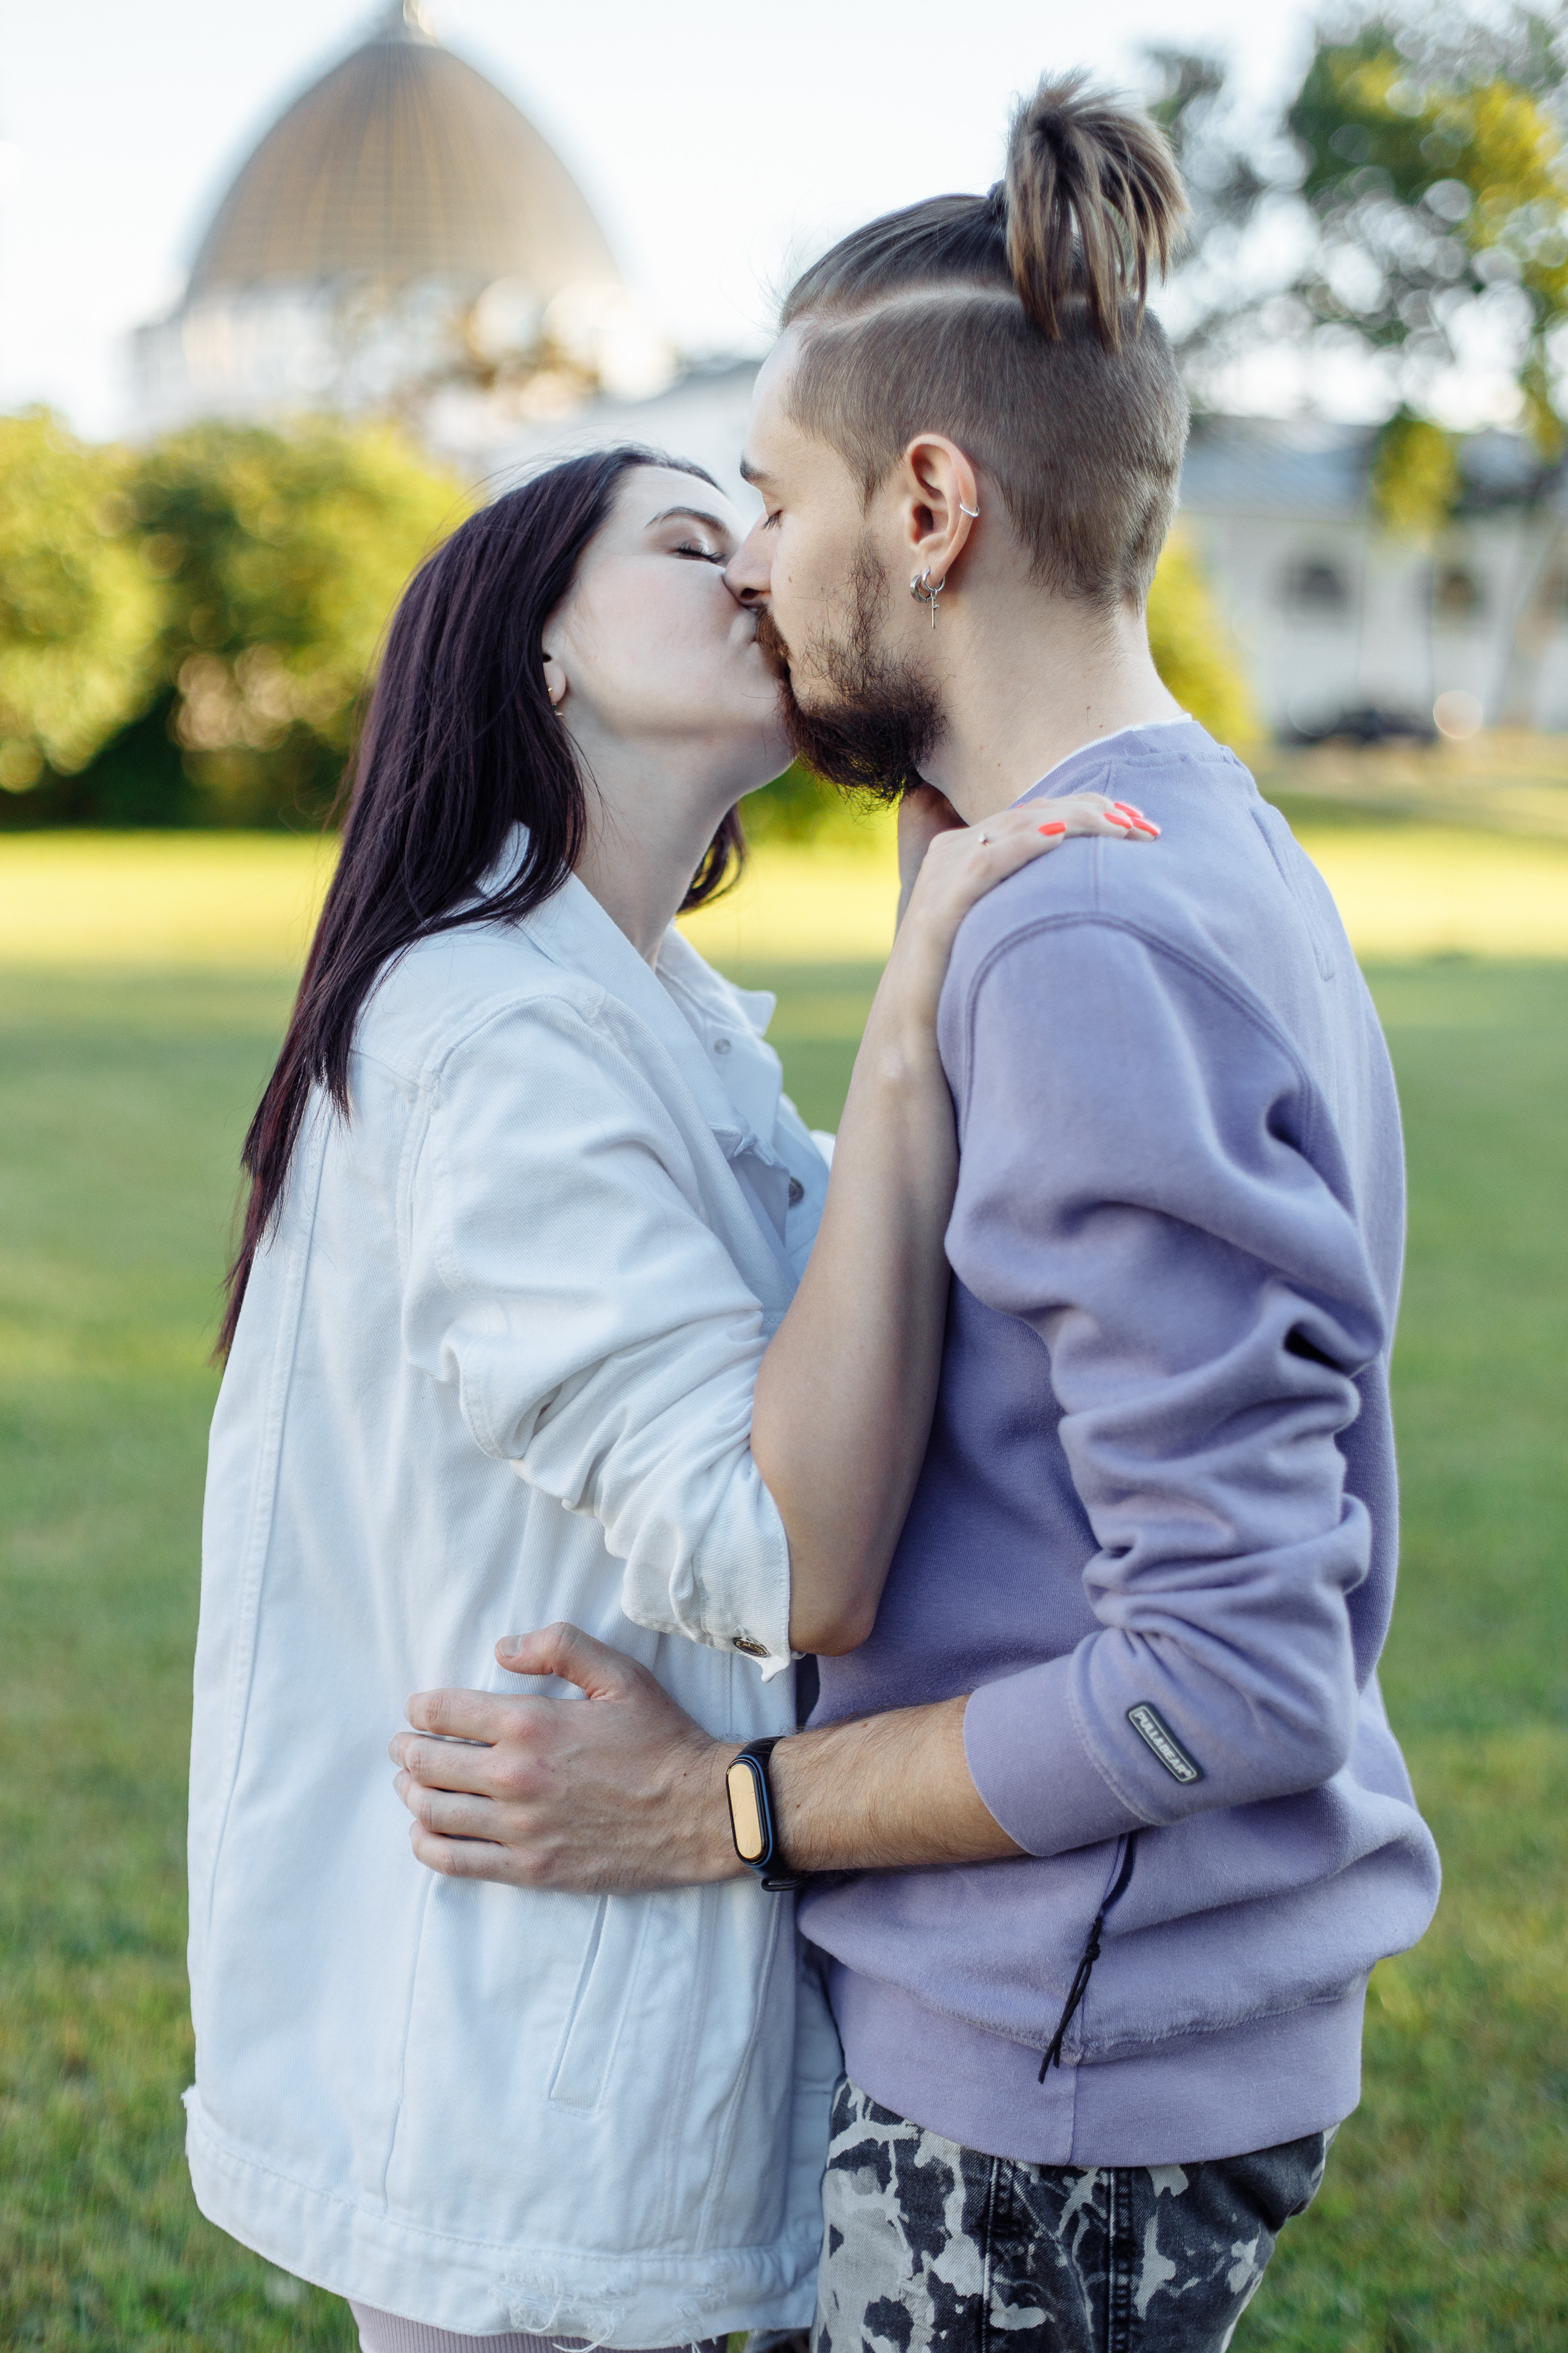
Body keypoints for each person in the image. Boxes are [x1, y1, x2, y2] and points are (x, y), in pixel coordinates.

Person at [392, 76, 1442, 2352]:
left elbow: (1226, 1672)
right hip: (1101, 2025)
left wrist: (721, 1809)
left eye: (772, 501)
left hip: (1064, 2062)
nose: (752, 570)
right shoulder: (1183, 842)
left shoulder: (1078, 933)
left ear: (933, 507)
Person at [186, 441, 1141, 2351]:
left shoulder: (657, 1007)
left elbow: (856, 1343)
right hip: (523, 2055)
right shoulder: (494, 1030)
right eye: (694, 543)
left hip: (624, 2009)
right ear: (539, 654)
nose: (757, 572)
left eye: (756, 531)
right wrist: (907, 1028)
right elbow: (786, 1550)